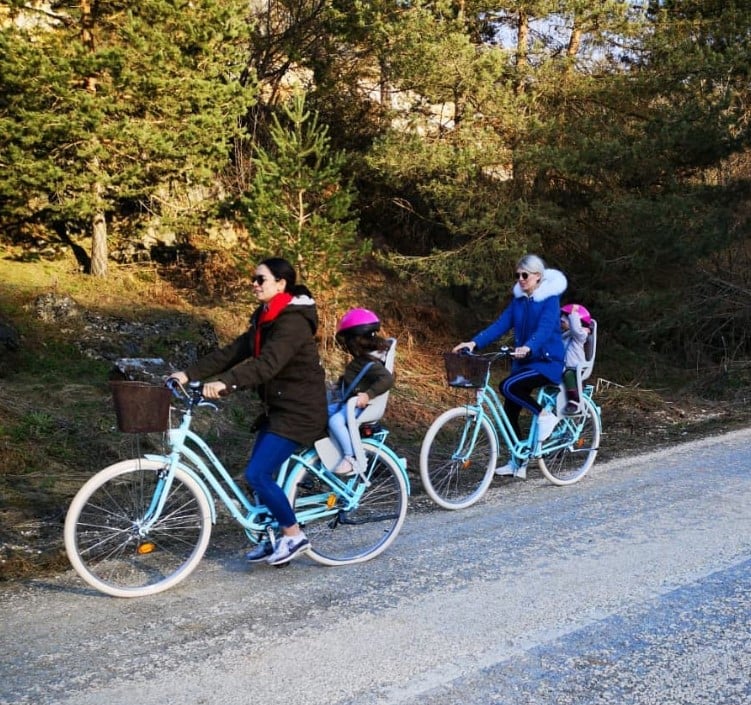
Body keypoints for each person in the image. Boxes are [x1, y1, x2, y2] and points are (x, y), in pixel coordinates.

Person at [167, 257, 327, 566]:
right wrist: (187, 374)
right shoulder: (265, 317)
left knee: (257, 473)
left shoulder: (293, 322)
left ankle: (294, 536)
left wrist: (226, 383)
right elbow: (233, 352)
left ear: (281, 284)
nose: (254, 284)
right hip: (278, 407)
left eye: (260, 279)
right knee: (255, 475)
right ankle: (272, 538)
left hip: (301, 410)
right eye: (253, 278)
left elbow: (267, 364)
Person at [453, 254, 567, 479]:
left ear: (537, 276)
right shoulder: (518, 302)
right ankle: (518, 462)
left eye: (525, 275)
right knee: (509, 412)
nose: (521, 279)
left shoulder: (550, 300)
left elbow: (544, 330)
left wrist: (528, 347)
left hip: (547, 361)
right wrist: (474, 343)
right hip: (525, 362)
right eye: (517, 276)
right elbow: (500, 325)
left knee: (507, 386)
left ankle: (545, 415)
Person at [327, 308, 395, 475]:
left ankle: (351, 457)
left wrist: (368, 394)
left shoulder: (370, 362)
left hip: (359, 406)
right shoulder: (365, 359)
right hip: (351, 401)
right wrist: (339, 384)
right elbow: (357, 378)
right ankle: (330, 453)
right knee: (323, 411)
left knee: (335, 421)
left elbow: (387, 379)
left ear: (355, 342)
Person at [560, 303, 592, 414]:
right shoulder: (564, 336)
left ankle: (574, 400)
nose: (561, 324)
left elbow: (576, 331)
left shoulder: (580, 336)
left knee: (569, 375)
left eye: (563, 322)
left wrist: (573, 315)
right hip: (565, 367)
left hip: (576, 367)